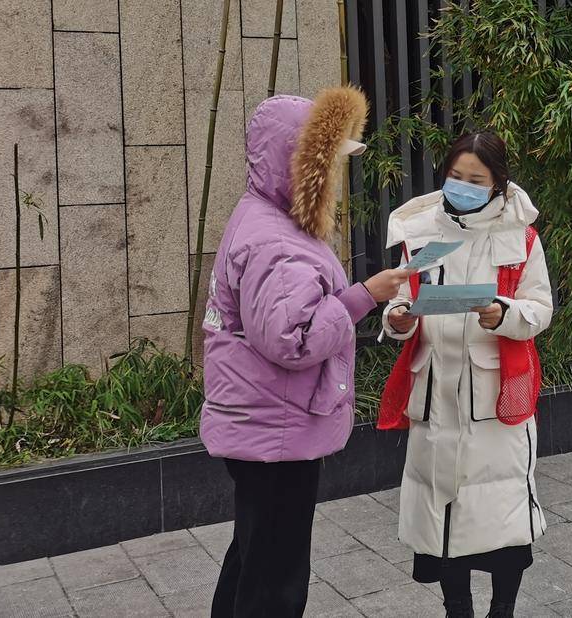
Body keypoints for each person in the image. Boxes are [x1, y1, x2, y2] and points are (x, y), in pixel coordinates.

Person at [200, 87, 413, 618]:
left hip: (263, 420)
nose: (335, 173)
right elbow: (292, 340)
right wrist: (366, 295)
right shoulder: (277, 241)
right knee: (276, 577)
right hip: (278, 426)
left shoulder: (264, 218)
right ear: (299, 162)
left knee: (254, 555)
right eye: (329, 160)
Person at [378, 132, 554, 618]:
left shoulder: (520, 237)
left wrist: (504, 313)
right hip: (435, 394)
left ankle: (502, 610)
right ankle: (457, 609)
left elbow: (540, 308)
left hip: (494, 399)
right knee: (444, 521)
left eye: (476, 180)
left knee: (502, 519)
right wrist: (397, 319)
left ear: (498, 183)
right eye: (455, 176)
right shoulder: (424, 231)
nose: (463, 186)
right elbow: (402, 294)